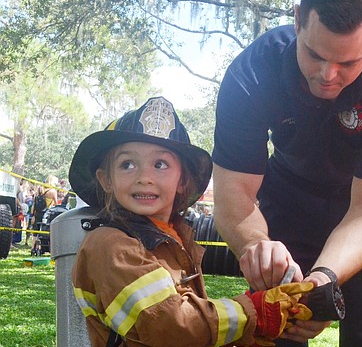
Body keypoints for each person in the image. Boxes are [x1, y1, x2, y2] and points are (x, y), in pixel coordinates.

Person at [212, 0, 362, 345]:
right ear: (297, 20)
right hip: (290, 193)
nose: (328, 75)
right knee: (275, 325)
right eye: (314, 54)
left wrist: (326, 277)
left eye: (348, 63)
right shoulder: (252, 73)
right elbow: (233, 194)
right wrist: (256, 245)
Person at [69, 97, 315, 346]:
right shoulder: (110, 245)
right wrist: (253, 314)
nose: (144, 177)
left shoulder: (172, 238)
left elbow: (193, 330)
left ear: (183, 181)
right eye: (127, 164)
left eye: (160, 164)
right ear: (105, 180)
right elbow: (169, 325)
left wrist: (253, 332)